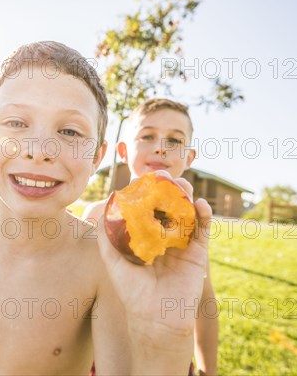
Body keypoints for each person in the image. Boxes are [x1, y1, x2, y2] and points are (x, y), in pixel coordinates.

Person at [0, 41, 212, 375]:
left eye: (69, 131)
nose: (40, 150)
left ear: (97, 157)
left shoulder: (103, 264)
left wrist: (164, 342)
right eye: (16, 123)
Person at [83, 98, 218, 375]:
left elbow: (205, 304)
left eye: (175, 140)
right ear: (123, 150)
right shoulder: (97, 216)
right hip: (104, 363)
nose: (160, 147)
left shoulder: (187, 229)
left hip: (170, 362)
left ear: (189, 157)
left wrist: (208, 370)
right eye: (147, 136)